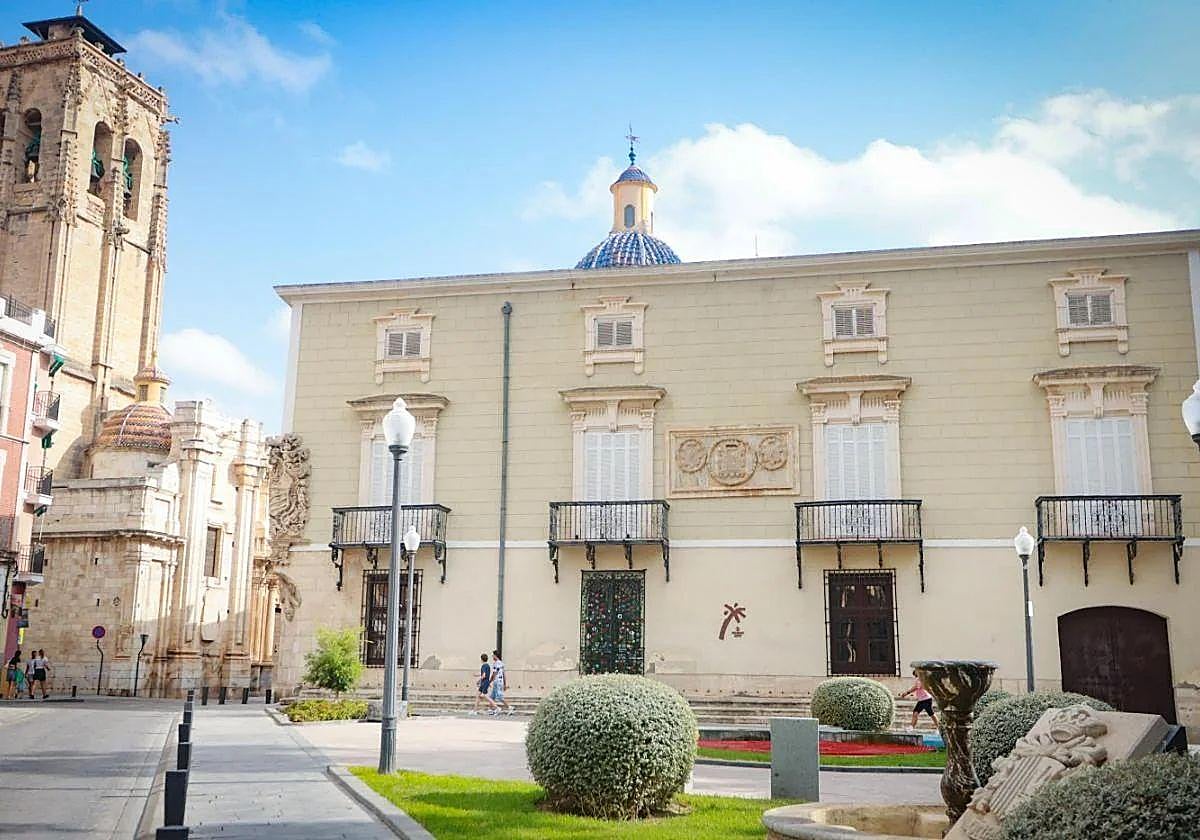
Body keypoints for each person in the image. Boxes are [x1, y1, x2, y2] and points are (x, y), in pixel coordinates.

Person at [486, 649, 512, 716]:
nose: (492, 657)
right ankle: (492, 709)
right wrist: (505, 684)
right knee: (492, 697)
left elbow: (494, 674)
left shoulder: (496, 664)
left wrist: (489, 681)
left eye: (493, 656)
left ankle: (510, 707)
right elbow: (504, 674)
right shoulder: (501, 663)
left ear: (495, 655)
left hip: (497, 682)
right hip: (499, 681)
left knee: (499, 697)